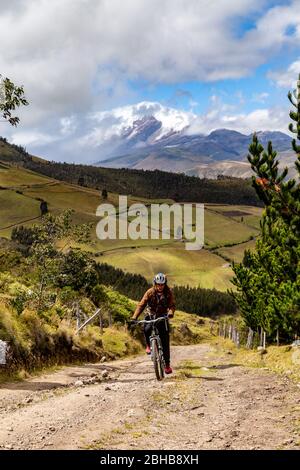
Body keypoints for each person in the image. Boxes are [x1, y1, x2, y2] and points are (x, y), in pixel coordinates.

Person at [132, 272, 175, 374]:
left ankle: (167, 366)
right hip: (151, 315)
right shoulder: (150, 292)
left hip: (162, 317)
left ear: (165, 284)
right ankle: (148, 345)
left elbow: (172, 305)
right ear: (155, 283)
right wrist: (134, 317)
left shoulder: (168, 293)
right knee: (146, 329)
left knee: (165, 342)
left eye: (162, 284)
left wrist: (170, 313)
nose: (160, 287)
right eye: (158, 284)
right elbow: (141, 305)